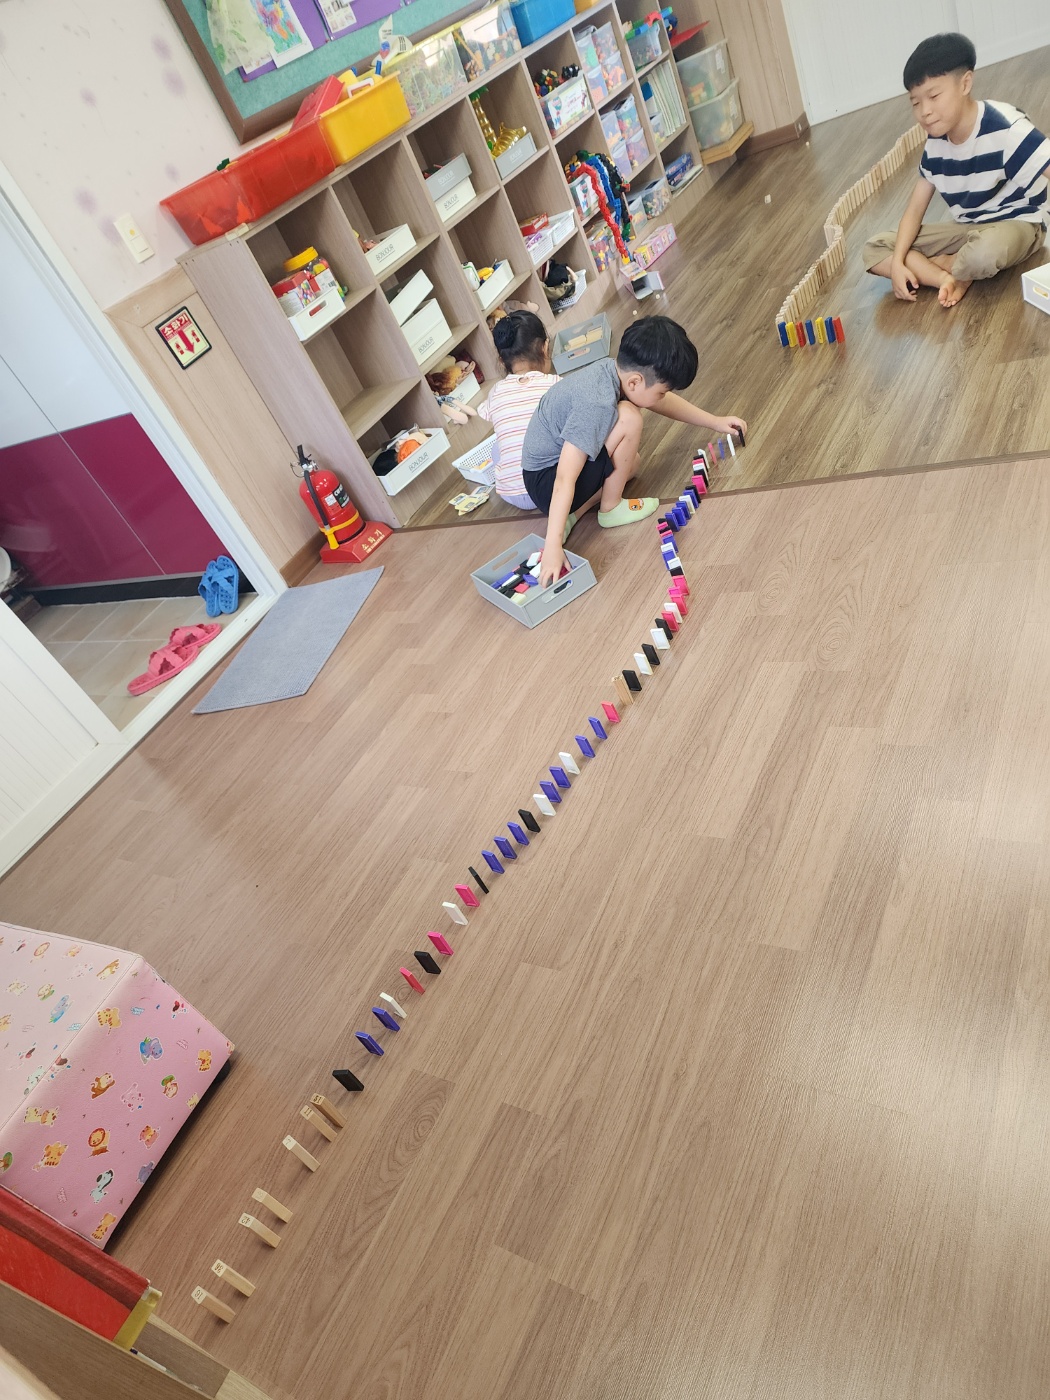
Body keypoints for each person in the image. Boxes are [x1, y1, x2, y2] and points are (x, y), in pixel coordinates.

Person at [520, 316, 746, 587]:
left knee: (631, 462)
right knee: (629, 417)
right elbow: (564, 478)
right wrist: (553, 546)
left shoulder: (615, 372)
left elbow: (661, 402)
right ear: (636, 382)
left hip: (548, 472)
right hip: (546, 482)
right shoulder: (596, 402)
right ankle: (610, 509)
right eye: (661, 392)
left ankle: (575, 512)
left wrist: (715, 421)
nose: (662, 398)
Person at [864, 32, 1050, 308]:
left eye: (934, 96)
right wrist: (899, 262)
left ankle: (946, 266)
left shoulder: (1006, 128)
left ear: (965, 83)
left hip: (1019, 223)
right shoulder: (935, 143)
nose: (925, 111)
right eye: (915, 102)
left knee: (984, 253)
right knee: (875, 247)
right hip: (967, 228)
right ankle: (946, 277)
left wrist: (905, 263)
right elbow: (914, 212)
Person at [479, 311, 559, 510]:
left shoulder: (496, 391)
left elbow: (489, 414)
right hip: (552, 490)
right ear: (544, 348)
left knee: (497, 447)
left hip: (512, 494)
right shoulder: (555, 384)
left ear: (502, 360)